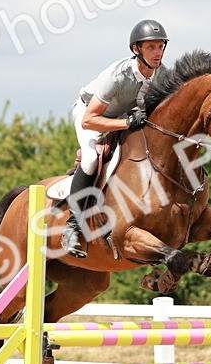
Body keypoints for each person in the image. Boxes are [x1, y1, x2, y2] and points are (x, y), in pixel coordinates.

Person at [62, 19, 170, 258]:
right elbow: (89, 121)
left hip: (125, 116)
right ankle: (72, 226)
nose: (157, 52)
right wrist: (126, 123)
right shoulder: (118, 76)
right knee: (91, 158)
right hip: (90, 113)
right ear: (136, 49)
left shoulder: (163, 75)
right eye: (151, 47)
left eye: (160, 46)